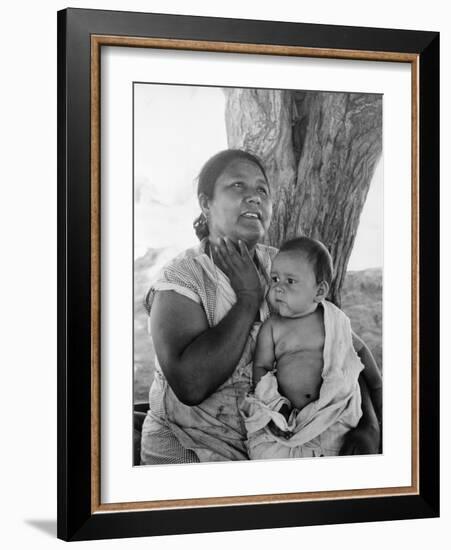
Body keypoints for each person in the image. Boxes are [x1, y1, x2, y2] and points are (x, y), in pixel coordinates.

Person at [140, 149, 380, 464]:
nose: (254, 197)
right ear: (206, 203)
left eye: (262, 190)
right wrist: (248, 296)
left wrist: (369, 425)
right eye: (237, 186)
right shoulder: (182, 280)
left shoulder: (283, 267)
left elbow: (339, 346)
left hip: (283, 445)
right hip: (194, 450)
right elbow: (191, 385)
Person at [241, 237, 382, 459]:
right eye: (275, 279)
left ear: (319, 291)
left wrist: (376, 386)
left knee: (343, 456)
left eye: (290, 281)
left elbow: (360, 352)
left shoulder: (333, 320)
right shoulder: (273, 327)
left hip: (333, 414)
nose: (278, 287)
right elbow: (261, 367)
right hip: (287, 418)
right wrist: (274, 406)